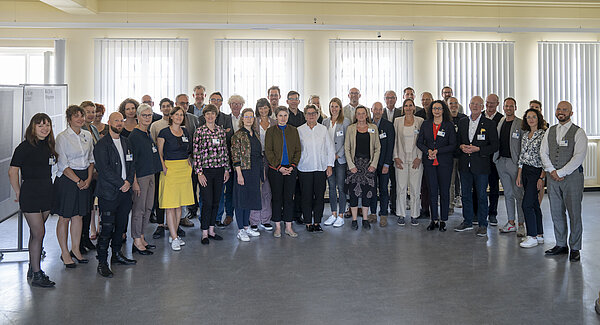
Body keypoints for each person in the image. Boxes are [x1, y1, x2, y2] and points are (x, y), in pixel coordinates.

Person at [9, 113, 57, 287]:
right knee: (39, 233)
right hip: (30, 193)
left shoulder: (49, 145)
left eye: (47, 125)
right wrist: (18, 192)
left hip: (46, 191)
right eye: (40, 125)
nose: (45, 128)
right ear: (33, 128)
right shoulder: (24, 147)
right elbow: (12, 171)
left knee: (37, 233)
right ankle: (37, 274)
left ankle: (33, 266)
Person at [540, 101, 588, 262]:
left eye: (565, 110)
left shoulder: (578, 132)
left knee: (574, 213)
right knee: (556, 212)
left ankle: (575, 247)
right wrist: (552, 171)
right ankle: (561, 244)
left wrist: (560, 172)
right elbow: (543, 152)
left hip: (572, 178)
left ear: (571, 113)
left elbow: (579, 157)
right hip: (553, 178)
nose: (561, 112)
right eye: (559, 109)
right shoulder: (550, 131)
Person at [94, 112, 137, 277]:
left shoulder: (126, 142)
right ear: (109, 122)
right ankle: (102, 262)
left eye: (121, 121)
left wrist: (129, 181)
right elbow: (104, 169)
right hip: (109, 193)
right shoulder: (102, 144)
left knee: (121, 225)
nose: (119, 123)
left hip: (125, 193)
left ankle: (117, 255)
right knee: (107, 228)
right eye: (116, 121)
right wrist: (122, 183)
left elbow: (132, 164)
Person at [454, 96, 499, 237]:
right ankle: (467, 221)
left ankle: (482, 224)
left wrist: (478, 149)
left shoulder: (489, 124)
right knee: (466, 195)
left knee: (481, 196)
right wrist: (461, 146)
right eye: (472, 104)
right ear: (469, 105)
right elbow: (456, 143)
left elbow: (495, 146)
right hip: (464, 165)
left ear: (482, 107)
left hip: (481, 166)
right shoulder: (462, 122)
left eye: (478, 104)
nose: (475, 106)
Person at [157, 106, 194, 251]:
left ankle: (175, 234)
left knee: (179, 205)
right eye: (176, 114)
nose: (179, 117)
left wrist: (189, 160)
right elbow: (159, 153)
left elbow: (188, 149)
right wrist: (163, 167)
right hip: (170, 169)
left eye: (181, 114)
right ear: (171, 116)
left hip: (184, 169)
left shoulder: (185, 131)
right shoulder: (163, 132)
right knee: (170, 204)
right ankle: (173, 237)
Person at [193, 104, 231, 245]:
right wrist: (199, 173)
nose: (210, 116)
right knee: (207, 201)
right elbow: (196, 153)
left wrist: (227, 169)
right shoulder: (199, 132)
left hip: (220, 170)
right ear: (204, 116)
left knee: (216, 200)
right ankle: (204, 232)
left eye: (212, 114)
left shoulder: (221, 131)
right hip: (206, 171)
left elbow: (224, 150)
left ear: (216, 115)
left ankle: (211, 230)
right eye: (207, 114)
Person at [128, 104, 163, 255]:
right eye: (144, 115)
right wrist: (134, 181)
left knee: (148, 208)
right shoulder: (134, 136)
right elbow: (131, 161)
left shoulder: (147, 134)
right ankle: (136, 240)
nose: (147, 118)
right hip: (140, 177)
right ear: (138, 116)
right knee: (139, 209)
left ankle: (142, 236)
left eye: (149, 115)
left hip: (151, 175)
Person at [417, 100, 456, 232]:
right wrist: (428, 150)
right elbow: (419, 142)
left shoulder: (449, 125)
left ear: (443, 110)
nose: (437, 111)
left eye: (439, 108)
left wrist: (438, 151)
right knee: (432, 191)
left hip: (444, 163)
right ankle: (433, 219)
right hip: (429, 163)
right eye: (434, 108)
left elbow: (452, 145)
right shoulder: (426, 124)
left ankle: (443, 220)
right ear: (431, 110)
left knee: (444, 192)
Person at [149, 98, 184, 239]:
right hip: (165, 168)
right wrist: (162, 166)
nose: (166, 108)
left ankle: (174, 229)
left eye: (169, 106)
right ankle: (160, 225)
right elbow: (156, 149)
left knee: (178, 202)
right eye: (163, 106)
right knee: (164, 199)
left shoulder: (185, 130)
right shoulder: (157, 127)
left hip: (181, 170)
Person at [265, 106, 301, 238]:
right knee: (277, 198)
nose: (283, 118)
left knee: (289, 198)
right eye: (280, 115)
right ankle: (278, 227)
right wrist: (279, 167)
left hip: (291, 169)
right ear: (276, 117)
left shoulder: (293, 130)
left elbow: (298, 150)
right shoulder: (271, 131)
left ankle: (288, 227)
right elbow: (268, 151)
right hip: (276, 170)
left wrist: (292, 166)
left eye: (285, 115)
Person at [297, 104, 335, 232]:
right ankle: (308, 222)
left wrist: (329, 165)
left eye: (314, 113)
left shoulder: (323, 129)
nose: (311, 116)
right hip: (304, 168)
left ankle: (317, 222)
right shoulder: (299, 130)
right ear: (305, 115)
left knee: (319, 197)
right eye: (308, 113)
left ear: (318, 115)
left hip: (320, 168)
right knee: (306, 197)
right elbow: (296, 150)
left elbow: (330, 148)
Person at [344, 105, 381, 230]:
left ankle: (365, 219)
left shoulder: (373, 128)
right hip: (354, 166)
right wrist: (351, 165)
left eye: (363, 113)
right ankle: (354, 220)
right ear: (355, 115)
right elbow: (347, 148)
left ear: (366, 115)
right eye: (358, 113)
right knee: (353, 194)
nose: (360, 115)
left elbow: (377, 148)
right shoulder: (350, 129)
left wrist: (374, 164)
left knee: (367, 194)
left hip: (369, 167)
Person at [494, 98, 526, 236]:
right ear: (503, 107)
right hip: (501, 162)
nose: (508, 108)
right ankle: (511, 222)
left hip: (515, 163)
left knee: (519, 194)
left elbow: (524, 146)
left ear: (515, 107)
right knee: (507, 194)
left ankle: (521, 224)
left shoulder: (520, 124)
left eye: (511, 106)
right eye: (506, 106)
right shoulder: (501, 122)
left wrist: (521, 165)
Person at [516, 108, 547, 248]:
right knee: (534, 204)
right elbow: (522, 157)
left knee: (526, 204)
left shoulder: (543, 135)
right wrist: (519, 175)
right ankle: (539, 234)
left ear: (538, 118)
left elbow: (546, 158)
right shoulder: (526, 135)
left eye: (533, 116)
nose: (531, 119)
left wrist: (542, 177)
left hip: (537, 172)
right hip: (526, 171)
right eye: (528, 117)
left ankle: (532, 236)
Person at [230, 108, 263, 241]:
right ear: (242, 119)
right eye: (246, 116)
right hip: (243, 171)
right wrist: (239, 174)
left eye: (251, 116)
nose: (249, 119)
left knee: (249, 199)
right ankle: (240, 230)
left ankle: (246, 226)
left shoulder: (255, 134)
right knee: (240, 200)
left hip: (254, 170)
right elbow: (235, 156)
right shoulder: (237, 135)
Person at [393, 98, 424, 226]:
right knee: (401, 188)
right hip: (401, 158)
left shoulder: (420, 121)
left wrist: (420, 157)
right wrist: (395, 156)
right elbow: (394, 140)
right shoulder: (397, 121)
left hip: (416, 159)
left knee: (415, 188)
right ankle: (401, 214)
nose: (408, 108)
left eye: (411, 105)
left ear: (414, 108)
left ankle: (414, 214)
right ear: (403, 108)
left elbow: (423, 140)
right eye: (406, 106)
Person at [323, 98, 351, 227]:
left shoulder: (345, 122)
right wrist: (329, 157)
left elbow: (347, 142)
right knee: (331, 187)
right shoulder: (325, 122)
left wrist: (337, 155)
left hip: (340, 160)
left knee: (341, 187)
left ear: (340, 108)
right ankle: (333, 213)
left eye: (336, 106)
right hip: (328, 161)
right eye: (331, 106)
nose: (334, 109)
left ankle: (341, 215)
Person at [368, 102, 395, 227]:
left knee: (384, 189)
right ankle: (373, 213)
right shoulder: (368, 125)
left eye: (380, 109)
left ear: (382, 111)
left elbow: (390, 146)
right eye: (375, 109)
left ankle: (383, 214)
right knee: (372, 190)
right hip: (371, 164)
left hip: (384, 163)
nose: (378, 111)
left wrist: (387, 164)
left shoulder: (388, 125)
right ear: (371, 110)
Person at [250, 98, 275, 231]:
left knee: (267, 190)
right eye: (260, 108)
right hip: (256, 159)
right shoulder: (253, 123)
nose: (263, 110)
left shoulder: (274, 122)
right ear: (257, 109)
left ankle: (266, 219)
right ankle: (254, 220)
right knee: (256, 189)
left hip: (271, 158)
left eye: (265, 107)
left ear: (269, 108)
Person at [176, 93, 199, 228]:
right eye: (181, 103)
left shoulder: (194, 119)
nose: (184, 106)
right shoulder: (172, 119)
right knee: (178, 189)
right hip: (175, 161)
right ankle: (176, 219)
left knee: (190, 187)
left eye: (186, 103)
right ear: (176, 104)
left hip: (191, 158)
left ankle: (186, 215)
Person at [80, 101, 100, 254]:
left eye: (93, 111)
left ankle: (86, 237)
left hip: (94, 173)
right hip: (83, 174)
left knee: (89, 208)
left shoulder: (93, 128)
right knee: (82, 209)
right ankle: (80, 240)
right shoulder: (78, 130)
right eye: (88, 112)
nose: (91, 115)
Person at [481, 93, 504, 226]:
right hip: (481, 158)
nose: (489, 105)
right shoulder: (479, 115)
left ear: (497, 104)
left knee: (494, 187)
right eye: (487, 103)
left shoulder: (502, 119)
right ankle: (480, 214)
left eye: (492, 103)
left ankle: (493, 213)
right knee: (479, 188)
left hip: (495, 159)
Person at [448, 96, 467, 214]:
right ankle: (450, 206)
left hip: (463, 155)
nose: (453, 106)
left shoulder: (464, 119)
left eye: (455, 103)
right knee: (450, 182)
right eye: (451, 104)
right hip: (449, 156)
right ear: (447, 105)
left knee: (465, 181)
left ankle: (466, 204)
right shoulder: (445, 119)